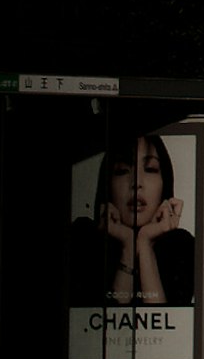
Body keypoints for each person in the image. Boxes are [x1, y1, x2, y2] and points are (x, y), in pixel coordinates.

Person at [75, 129, 196, 313]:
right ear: (107, 182)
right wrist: (128, 247)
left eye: (150, 169)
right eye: (123, 170)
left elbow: (166, 328)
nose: (136, 182)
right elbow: (99, 328)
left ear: (165, 181)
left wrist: (145, 243)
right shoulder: (83, 238)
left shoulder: (181, 246)